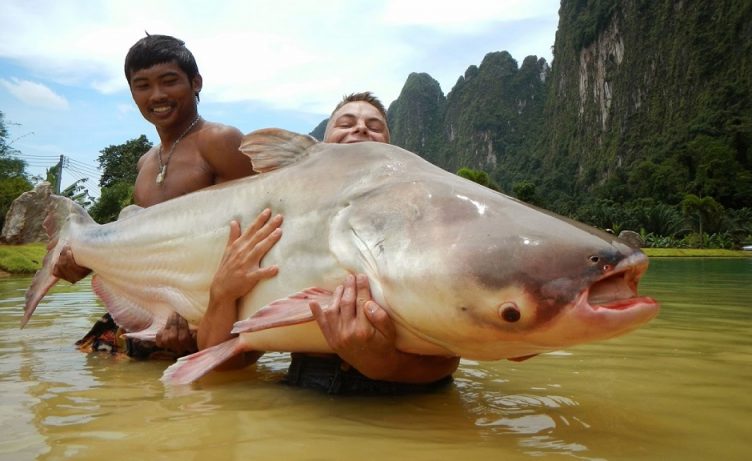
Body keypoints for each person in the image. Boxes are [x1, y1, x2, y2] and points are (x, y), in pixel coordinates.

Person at [197, 92, 460, 393]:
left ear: (391, 147)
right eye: (346, 122)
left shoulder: (423, 213)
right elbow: (223, 364)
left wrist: (381, 362)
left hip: (408, 402)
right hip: (305, 391)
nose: (360, 128)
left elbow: (453, 349)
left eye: (374, 125)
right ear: (322, 143)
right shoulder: (275, 222)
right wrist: (222, 294)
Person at [54, 33, 281, 358]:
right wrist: (85, 263)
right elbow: (146, 251)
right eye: (142, 85)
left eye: (169, 81)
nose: (157, 95)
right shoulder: (145, 162)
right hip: (151, 322)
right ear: (132, 92)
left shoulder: (220, 141)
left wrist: (209, 330)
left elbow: (257, 239)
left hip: (207, 321)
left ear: (196, 83)